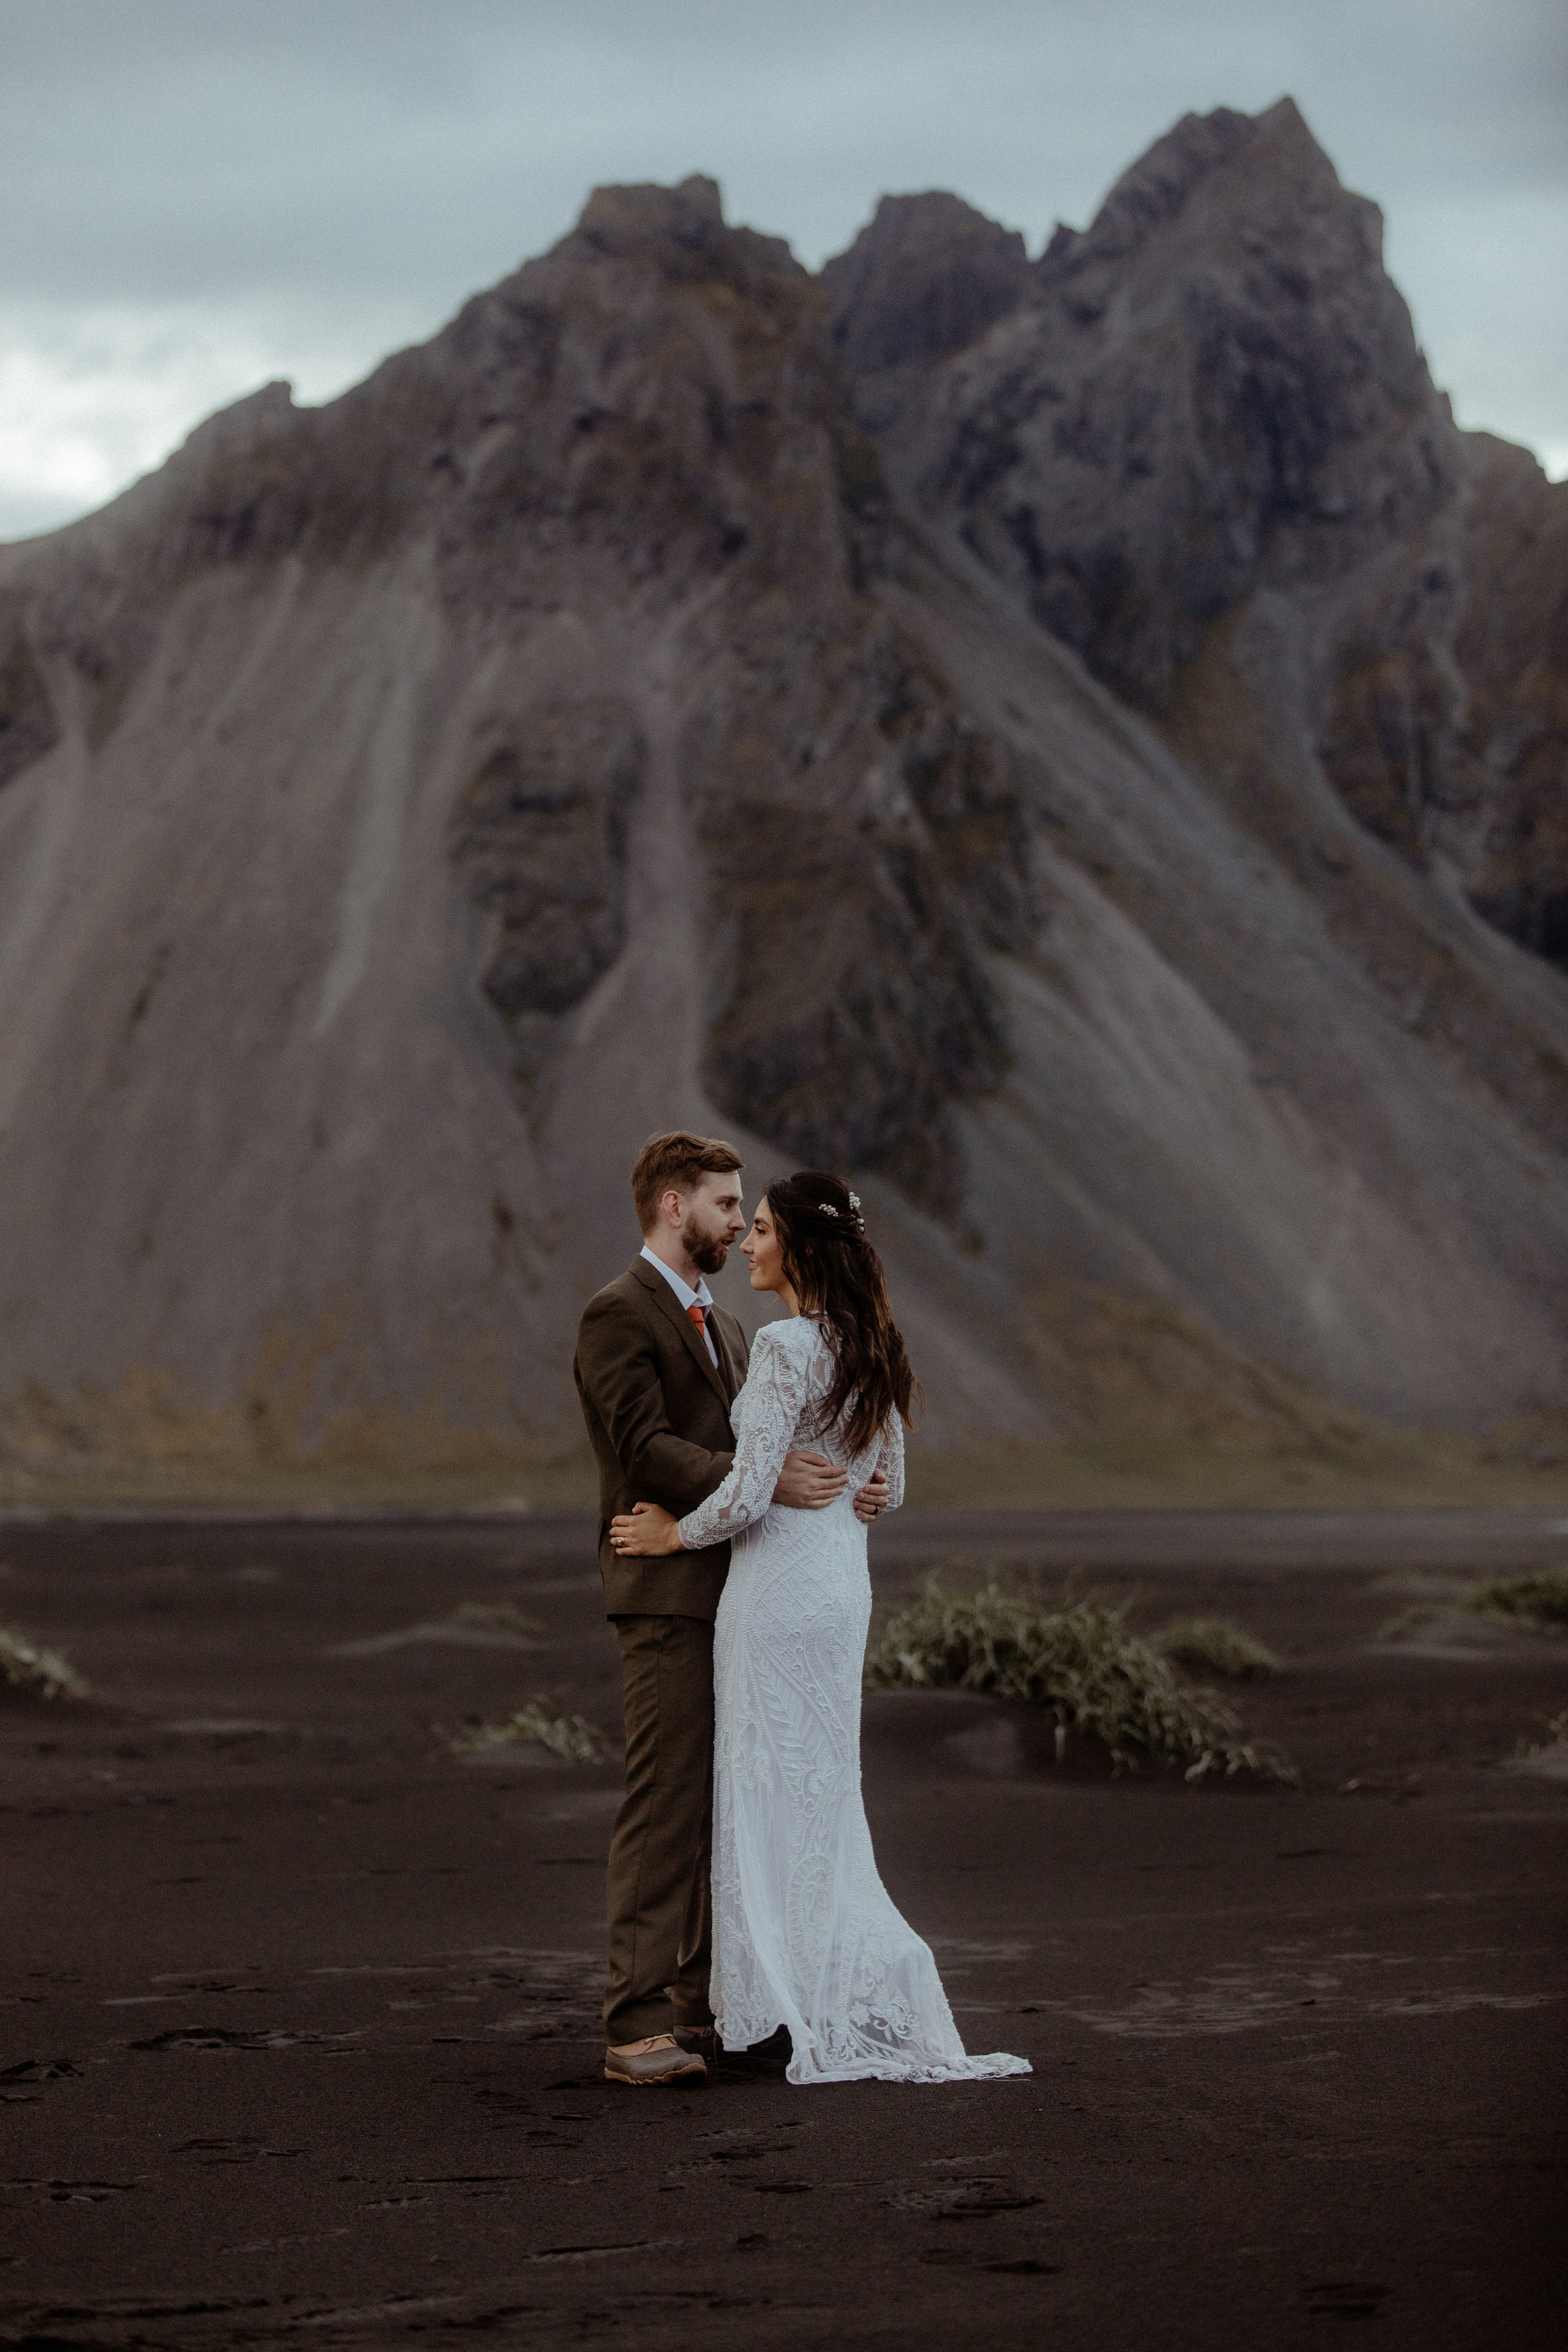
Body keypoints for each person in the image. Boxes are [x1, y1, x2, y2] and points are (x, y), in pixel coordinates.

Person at [611, 1170, 1029, 2087]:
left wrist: (671, 1531)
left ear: (797, 1246)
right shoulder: (872, 1342)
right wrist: (864, 1490)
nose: (749, 1244)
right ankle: (810, 1988)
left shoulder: (784, 1345)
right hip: (840, 1588)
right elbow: (894, 1485)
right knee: (823, 1791)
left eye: (760, 1229)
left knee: (762, 1788)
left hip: (775, 1600)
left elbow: (749, 1487)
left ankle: (764, 2011)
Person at [573, 1132, 889, 2088]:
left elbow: (793, 1443)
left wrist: (845, 1488)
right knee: (666, 1803)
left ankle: (710, 2006)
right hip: (666, 1598)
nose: (735, 1226)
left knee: (730, 1805)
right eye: (725, 1206)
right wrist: (762, 1483)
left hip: (748, 1590)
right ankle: (633, 2028)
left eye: (746, 1213)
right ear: (675, 1206)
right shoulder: (616, 1314)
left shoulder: (737, 1329)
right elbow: (642, 1445)